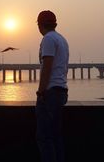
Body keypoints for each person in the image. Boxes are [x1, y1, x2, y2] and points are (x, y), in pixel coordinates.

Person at [35, 10, 69, 162]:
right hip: (61, 91)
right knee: (56, 136)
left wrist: (40, 92)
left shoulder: (48, 39)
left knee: (44, 137)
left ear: (40, 25)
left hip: (50, 94)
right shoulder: (62, 39)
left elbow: (47, 66)